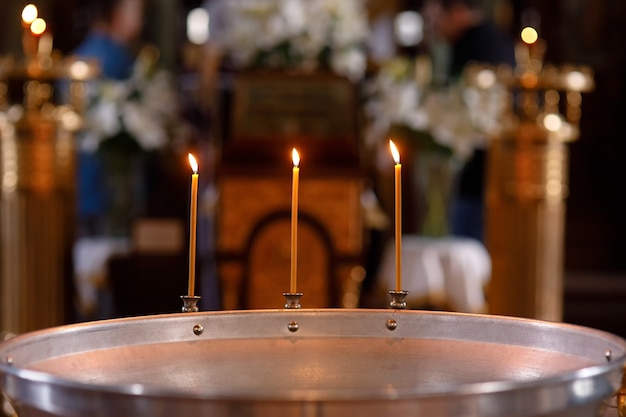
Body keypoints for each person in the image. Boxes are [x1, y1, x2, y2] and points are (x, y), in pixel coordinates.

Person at [424, 0, 515, 242]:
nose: (433, 27)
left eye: (435, 18)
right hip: (487, 162)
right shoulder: (491, 37)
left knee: (469, 238)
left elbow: (473, 107)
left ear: (457, 12)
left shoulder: (475, 43)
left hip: (484, 166)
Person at [72, 0, 145, 236]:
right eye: (137, 13)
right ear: (117, 16)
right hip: (110, 185)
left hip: (78, 185)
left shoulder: (77, 57)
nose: (140, 23)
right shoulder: (118, 59)